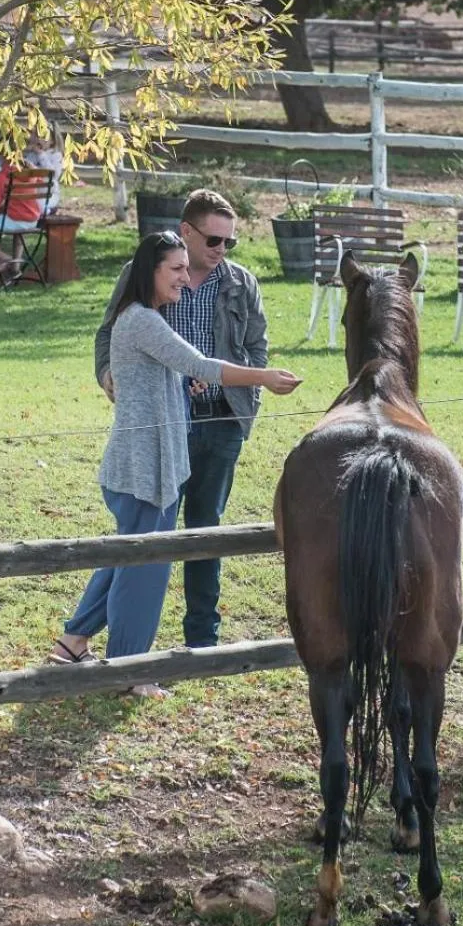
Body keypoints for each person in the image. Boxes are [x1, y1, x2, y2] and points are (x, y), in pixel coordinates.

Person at [55, 231, 302, 698]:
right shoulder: (142, 321)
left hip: (149, 468)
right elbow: (202, 364)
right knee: (144, 572)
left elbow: (159, 376)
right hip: (143, 471)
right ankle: (129, 673)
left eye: (186, 270)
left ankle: (72, 643)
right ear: (151, 270)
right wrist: (264, 377)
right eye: (177, 270)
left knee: (124, 559)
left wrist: (174, 389)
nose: (186, 279)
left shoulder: (147, 319)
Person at [94, 189, 267, 651]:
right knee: (144, 539)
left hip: (219, 421)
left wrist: (241, 393)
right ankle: (102, 643)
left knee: (205, 531)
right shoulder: (145, 273)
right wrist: (110, 374)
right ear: (186, 232)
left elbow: (253, 345)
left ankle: (201, 639)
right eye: (213, 240)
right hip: (164, 427)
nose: (221, 251)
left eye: (229, 242)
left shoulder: (240, 283)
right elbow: (112, 332)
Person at [0, 130, 63, 284]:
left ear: (0, 154)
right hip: (33, 220)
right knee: (15, 229)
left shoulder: (2, 176)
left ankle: (4, 258)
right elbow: (51, 187)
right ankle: (15, 269)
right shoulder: (32, 169)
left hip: (15, 220)